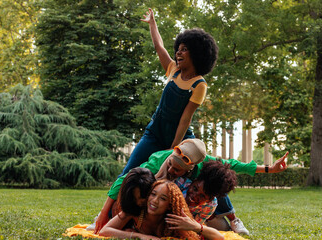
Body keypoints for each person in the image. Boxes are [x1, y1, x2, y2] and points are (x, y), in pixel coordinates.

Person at [94, 138, 289, 234]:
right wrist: (104, 214)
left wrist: (269, 169)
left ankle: (233, 219)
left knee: (218, 183)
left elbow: (235, 165)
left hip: (186, 214)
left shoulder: (203, 167)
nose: (171, 170)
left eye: (177, 170)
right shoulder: (160, 163)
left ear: (191, 167)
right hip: (148, 202)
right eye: (171, 164)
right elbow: (124, 179)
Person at [119, 8, 219, 177]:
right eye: (178, 49)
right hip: (154, 132)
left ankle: (225, 205)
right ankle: (113, 203)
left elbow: (185, 119)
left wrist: (173, 147)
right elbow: (159, 46)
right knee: (129, 172)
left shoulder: (199, 84)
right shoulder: (173, 69)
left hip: (180, 137)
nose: (178, 53)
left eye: (185, 49)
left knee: (205, 172)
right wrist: (152, 24)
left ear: (197, 54)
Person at [99, 180, 223, 240]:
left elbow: (220, 238)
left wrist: (195, 227)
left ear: (170, 205)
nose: (154, 201)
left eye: (163, 198)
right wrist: (140, 236)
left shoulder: (174, 219)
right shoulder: (136, 210)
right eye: (153, 194)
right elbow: (104, 231)